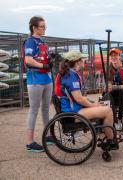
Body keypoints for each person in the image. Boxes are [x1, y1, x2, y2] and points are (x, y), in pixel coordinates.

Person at [54, 51, 118, 149]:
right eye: (82, 59)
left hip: (71, 110)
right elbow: (78, 98)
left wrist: (92, 103)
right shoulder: (70, 76)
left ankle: (102, 137)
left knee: (101, 105)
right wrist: (94, 105)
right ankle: (110, 140)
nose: (84, 60)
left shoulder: (68, 73)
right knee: (108, 110)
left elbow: (76, 97)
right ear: (77, 62)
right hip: (72, 113)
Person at [24, 16, 53, 152]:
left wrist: (52, 59)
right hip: (35, 80)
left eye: (45, 26)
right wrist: (43, 65)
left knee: (46, 109)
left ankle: (48, 135)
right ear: (34, 28)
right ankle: (30, 142)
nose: (44, 29)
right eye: (42, 26)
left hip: (47, 79)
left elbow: (45, 57)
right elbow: (28, 60)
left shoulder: (42, 42)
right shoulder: (30, 42)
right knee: (34, 110)